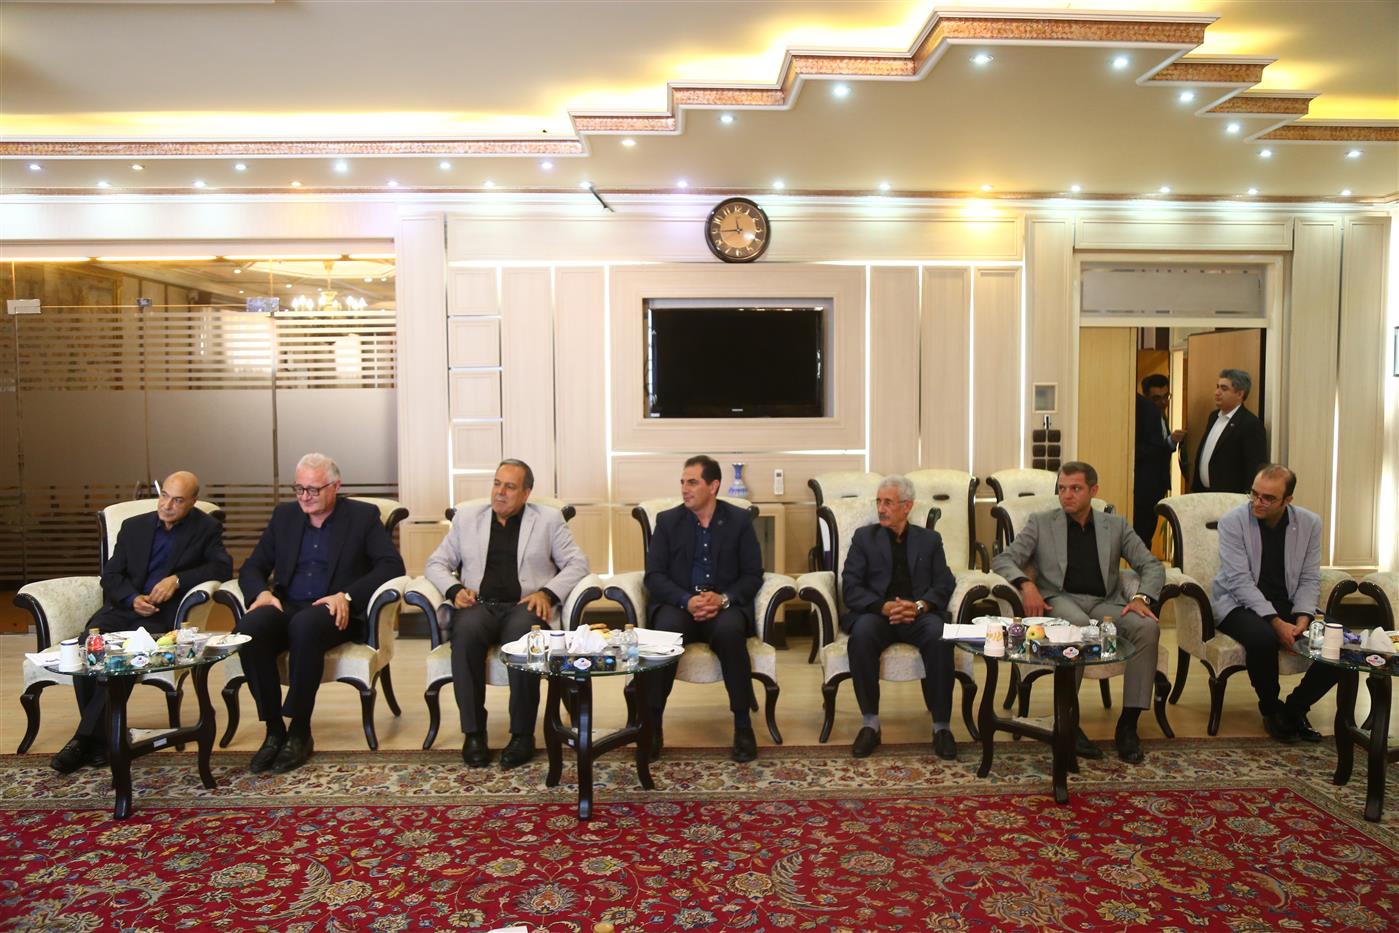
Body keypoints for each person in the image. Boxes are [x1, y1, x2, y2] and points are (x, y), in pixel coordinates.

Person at [51, 471, 231, 774]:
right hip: (124, 607)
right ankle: (101, 738)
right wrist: (132, 597)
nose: (167, 505)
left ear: (193, 502)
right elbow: (111, 575)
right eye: (164, 496)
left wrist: (177, 579)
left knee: (128, 656)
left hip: (161, 615)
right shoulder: (133, 526)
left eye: (177, 500)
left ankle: (84, 740)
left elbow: (222, 567)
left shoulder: (206, 528)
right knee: (88, 647)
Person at [235, 453, 404, 775]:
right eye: (299, 489)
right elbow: (253, 566)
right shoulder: (284, 516)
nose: (305, 497)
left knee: (305, 626)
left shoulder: (362, 516)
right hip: (287, 604)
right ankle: (274, 730)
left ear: (335, 486)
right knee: (250, 629)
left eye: (313, 489)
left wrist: (347, 596)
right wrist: (261, 593)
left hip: (333, 610)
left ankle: (300, 730)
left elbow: (391, 565)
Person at [990, 461, 1164, 764]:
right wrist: (1026, 585)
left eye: (1075, 488)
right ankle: (1068, 721)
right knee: (1079, 626)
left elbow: (1151, 565)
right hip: (1060, 599)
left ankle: (1128, 724)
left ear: (1093, 491)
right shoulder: (1041, 523)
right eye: (1062, 488)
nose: (1066, 495)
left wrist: (1141, 597)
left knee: (1146, 627)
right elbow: (1004, 559)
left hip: (1104, 602)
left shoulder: (1116, 526)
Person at [425, 458, 590, 769]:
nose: (500, 492)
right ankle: (474, 733)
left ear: (526, 493)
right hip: (479, 605)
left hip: (524, 606)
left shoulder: (548, 520)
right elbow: (435, 563)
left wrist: (547, 593)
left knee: (524, 639)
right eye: (497, 483)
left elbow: (578, 563)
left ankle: (522, 736)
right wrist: (454, 589)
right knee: (465, 634)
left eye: (510, 487)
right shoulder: (467, 519)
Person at [643, 455, 764, 763]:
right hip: (679, 603)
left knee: (730, 633)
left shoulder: (739, 521)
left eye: (692, 482)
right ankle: (653, 725)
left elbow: (753, 575)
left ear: (713, 486)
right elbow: (654, 576)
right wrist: (687, 600)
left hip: (722, 604)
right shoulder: (668, 522)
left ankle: (743, 726)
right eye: (683, 482)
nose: (685, 488)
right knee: (665, 635)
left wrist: (723, 599)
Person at [1211, 464, 1338, 743]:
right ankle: (1270, 709)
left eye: (1268, 498)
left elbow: (1309, 578)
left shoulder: (1309, 523)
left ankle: (1294, 709)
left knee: (1337, 641)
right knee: (1262, 638)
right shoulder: (1233, 522)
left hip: (1287, 601)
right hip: (1237, 602)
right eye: (1254, 494)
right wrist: (1276, 622)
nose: (1258, 502)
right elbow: (1239, 581)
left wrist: (1303, 617)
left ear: (1287, 500)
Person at [841, 475, 959, 760]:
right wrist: (882, 607)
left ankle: (941, 727)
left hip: (918, 615)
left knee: (939, 635)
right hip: (878, 614)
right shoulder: (863, 538)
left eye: (888, 503)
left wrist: (919, 606)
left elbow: (944, 583)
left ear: (907, 506)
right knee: (862, 635)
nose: (881, 509)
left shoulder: (930, 540)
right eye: (879, 502)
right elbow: (851, 586)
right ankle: (870, 724)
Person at [1191, 368, 1267, 494]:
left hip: (1230, 496)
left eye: (1224, 389)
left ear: (1240, 394)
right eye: (1217, 387)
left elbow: (1254, 467)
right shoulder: (1213, 417)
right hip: (1204, 493)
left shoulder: (1250, 424)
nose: (1217, 392)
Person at [1134, 374, 1186, 546]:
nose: (1163, 402)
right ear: (1146, 396)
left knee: (1148, 531)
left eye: (1166, 397)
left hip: (1157, 485)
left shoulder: (1160, 414)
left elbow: (1159, 445)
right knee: (1142, 534)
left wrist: (1171, 442)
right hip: (1143, 487)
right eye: (1157, 398)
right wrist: (1168, 442)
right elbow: (1141, 449)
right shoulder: (1143, 414)